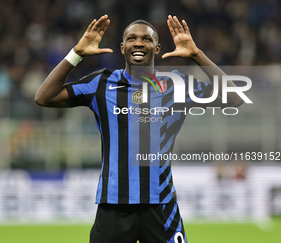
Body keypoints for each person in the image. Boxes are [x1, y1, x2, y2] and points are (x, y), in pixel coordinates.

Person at [35, 14, 243, 243]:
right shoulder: (101, 84)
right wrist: (76, 54)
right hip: (113, 207)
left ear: (157, 47)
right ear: (123, 48)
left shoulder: (176, 85)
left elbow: (234, 97)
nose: (139, 43)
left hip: (161, 207)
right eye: (132, 39)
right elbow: (45, 97)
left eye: (146, 39)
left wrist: (197, 55)